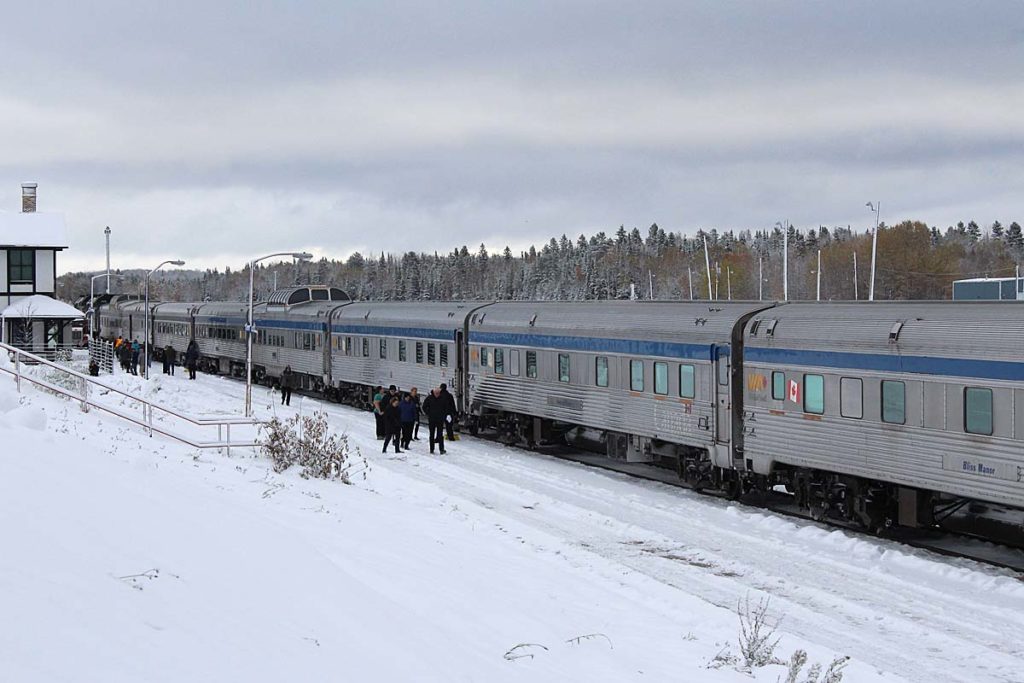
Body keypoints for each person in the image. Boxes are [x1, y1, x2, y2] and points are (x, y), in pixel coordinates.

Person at [422, 388, 447, 454]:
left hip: (440, 419)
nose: (437, 395)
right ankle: (431, 449)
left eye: (438, 393)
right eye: (436, 393)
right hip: (432, 419)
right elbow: (424, 407)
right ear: (433, 392)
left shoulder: (443, 399)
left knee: (440, 435)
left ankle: (441, 449)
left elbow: (446, 408)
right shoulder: (429, 398)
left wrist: (444, 415)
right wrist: (429, 413)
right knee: (431, 434)